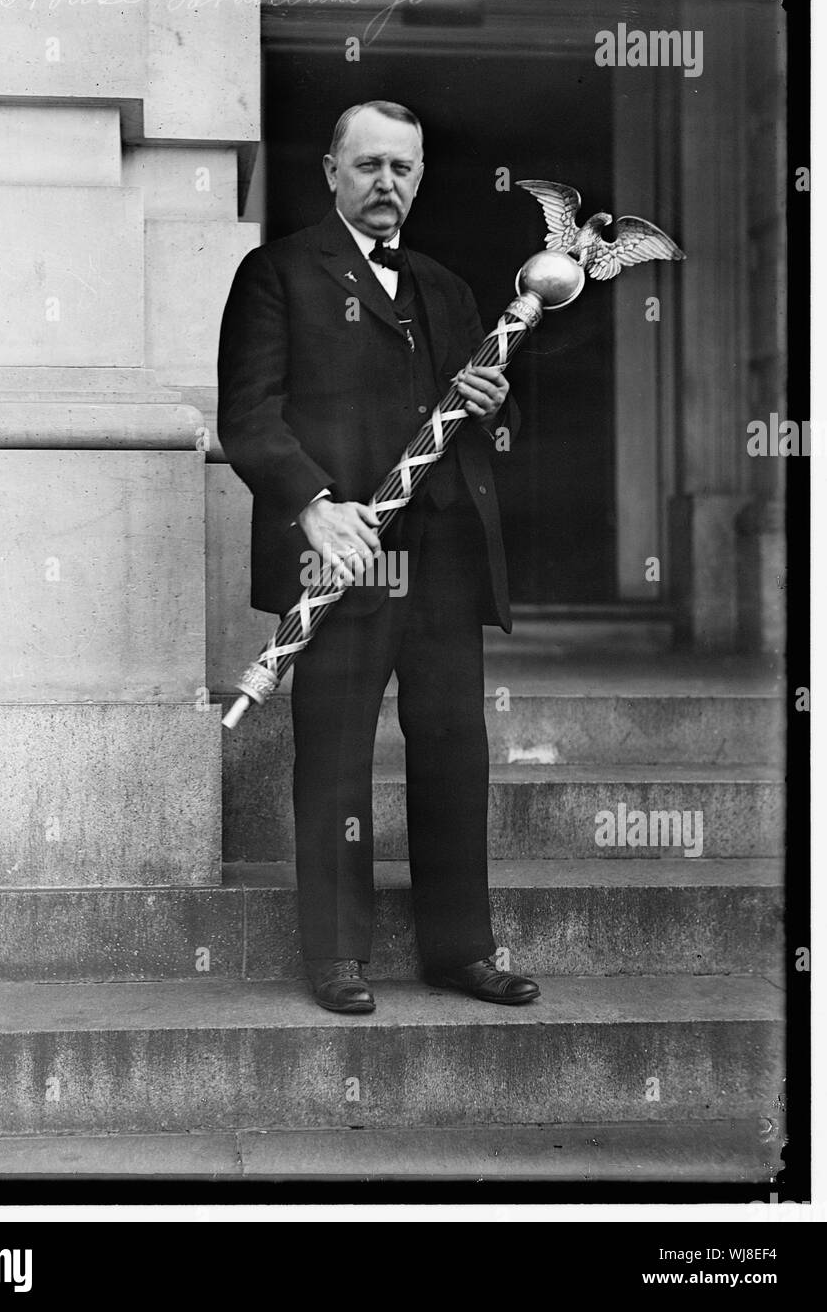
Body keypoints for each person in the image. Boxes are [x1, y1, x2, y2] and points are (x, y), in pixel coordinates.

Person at [217, 100, 540, 1013]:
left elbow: (495, 428)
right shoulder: (276, 273)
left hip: (443, 555)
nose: (386, 182)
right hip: (344, 554)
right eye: (368, 165)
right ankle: (336, 957)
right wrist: (313, 510)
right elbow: (248, 416)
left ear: (420, 175)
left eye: (402, 167)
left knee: (454, 749)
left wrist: (496, 406)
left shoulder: (446, 287)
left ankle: (461, 951)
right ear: (331, 171)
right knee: (335, 751)